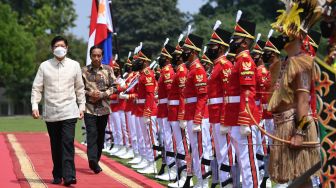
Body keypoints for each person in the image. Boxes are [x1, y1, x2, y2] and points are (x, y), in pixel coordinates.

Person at [268, 0, 321, 186]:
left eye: (284, 34)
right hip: (283, 125)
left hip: (294, 126)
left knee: (301, 179)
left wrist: (299, 133)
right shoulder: (286, 62)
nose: (281, 37)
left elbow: (303, 101)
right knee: (293, 179)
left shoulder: (303, 63)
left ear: (295, 36)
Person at [31, 35, 85, 186]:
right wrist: (35, 106)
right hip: (51, 112)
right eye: (56, 46)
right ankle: (57, 174)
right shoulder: (44, 66)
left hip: (69, 110)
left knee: (67, 142)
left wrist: (81, 106)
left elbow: (80, 88)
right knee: (56, 145)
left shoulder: (74, 65)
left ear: (67, 48)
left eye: (62, 46)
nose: (59, 48)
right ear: (52, 49)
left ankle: (69, 176)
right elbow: (37, 88)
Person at [223, 13, 261, 187]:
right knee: (241, 158)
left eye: (236, 39)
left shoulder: (245, 61)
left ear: (245, 42)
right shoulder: (238, 61)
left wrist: (245, 120)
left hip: (242, 118)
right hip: (234, 117)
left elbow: (248, 91)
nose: (233, 42)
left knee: (247, 161)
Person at [206, 22, 235, 187]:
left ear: (222, 48)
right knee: (219, 151)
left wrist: (225, 118)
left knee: (225, 152)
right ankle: (225, 182)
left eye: (213, 46)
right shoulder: (216, 66)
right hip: (214, 113)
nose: (210, 49)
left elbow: (227, 94)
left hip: (221, 115)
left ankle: (228, 183)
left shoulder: (224, 66)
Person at [182, 33, 212, 188]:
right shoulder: (192, 69)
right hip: (191, 113)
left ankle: (203, 182)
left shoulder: (198, 69)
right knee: (196, 149)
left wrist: (197, 119)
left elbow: (202, 96)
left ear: (193, 51)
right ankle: (200, 180)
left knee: (201, 149)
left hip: (197, 115)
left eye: (186, 49)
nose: (183, 52)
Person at [82, 45, 116, 174]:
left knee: (100, 136)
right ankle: (92, 161)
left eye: (99, 55)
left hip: (104, 108)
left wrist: (102, 94)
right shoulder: (83, 71)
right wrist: (90, 94)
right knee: (92, 134)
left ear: (102, 56)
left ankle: (96, 160)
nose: (96, 58)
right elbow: (78, 88)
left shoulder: (108, 70)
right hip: (89, 108)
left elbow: (115, 86)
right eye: (94, 55)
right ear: (90, 56)